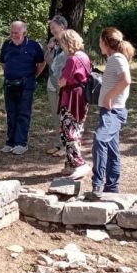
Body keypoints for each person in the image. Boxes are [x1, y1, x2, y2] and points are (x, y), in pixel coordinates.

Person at [91, 27, 134, 197]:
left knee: (100, 139)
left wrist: (109, 97)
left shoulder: (116, 58)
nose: (98, 44)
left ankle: (97, 185)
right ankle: (112, 187)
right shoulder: (114, 59)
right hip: (111, 110)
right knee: (112, 148)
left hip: (113, 111)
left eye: (100, 41)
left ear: (105, 42)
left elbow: (126, 80)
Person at [0, 21, 46, 155]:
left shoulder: (33, 45)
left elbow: (41, 63)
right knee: (11, 113)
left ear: (24, 33)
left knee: (23, 114)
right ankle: (10, 142)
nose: (13, 35)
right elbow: (3, 63)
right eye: (12, 32)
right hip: (9, 84)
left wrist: (31, 76)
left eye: (17, 33)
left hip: (26, 85)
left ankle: (21, 143)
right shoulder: (6, 45)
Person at [57, 29, 91, 179]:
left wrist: (60, 82)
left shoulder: (72, 59)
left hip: (71, 97)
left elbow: (62, 81)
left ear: (66, 43)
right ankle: (71, 163)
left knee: (69, 131)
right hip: (81, 96)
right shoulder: (84, 56)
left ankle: (79, 163)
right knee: (77, 128)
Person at [44, 15, 68, 157]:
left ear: (62, 26)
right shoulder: (53, 41)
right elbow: (47, 61)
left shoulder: (69, 41)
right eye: (50, 27)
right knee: (55, 115)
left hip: (65, 83)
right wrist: (49, 49)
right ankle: (59, 144)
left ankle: (67, 146)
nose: (51, 30)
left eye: (54, 27)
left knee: (66, 116)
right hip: (52, 81)